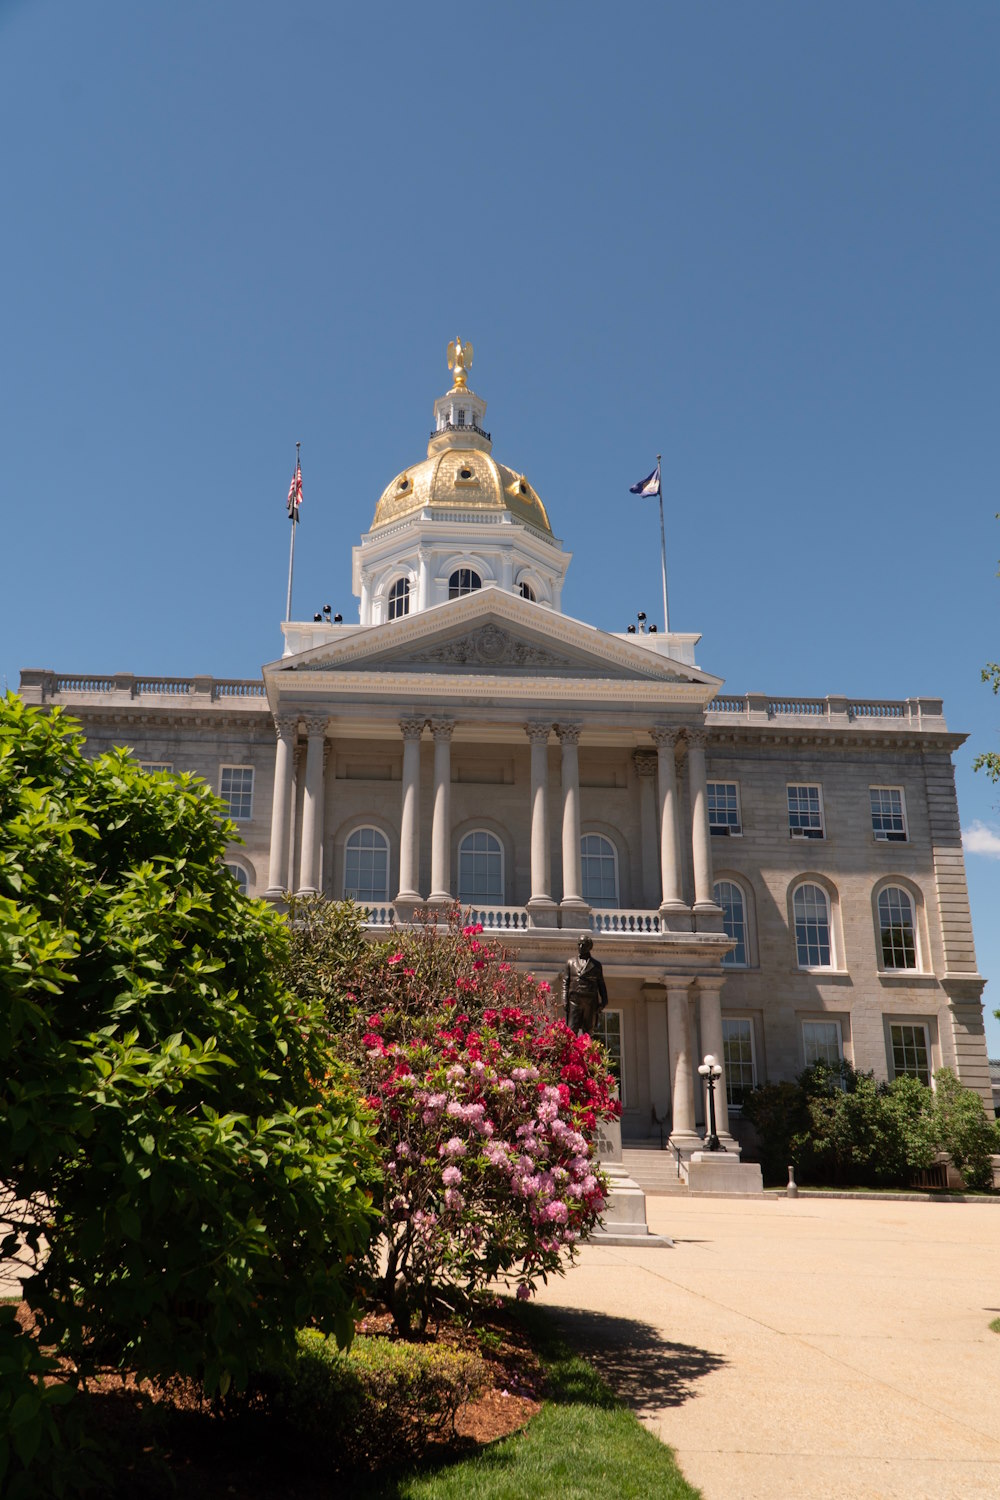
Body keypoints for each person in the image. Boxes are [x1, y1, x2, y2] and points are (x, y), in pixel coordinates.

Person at [561, 934, 609, 1036]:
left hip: (590, 1001)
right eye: (579, 944)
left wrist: (604, 1000)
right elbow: (565, 983)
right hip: (574, 1000)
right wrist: (564, 1000)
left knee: (588, 1030)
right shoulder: (570, 962)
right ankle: (572, 1047)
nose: (581, 947)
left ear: (589, 947)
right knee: (572, 1029)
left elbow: (601, 984)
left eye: (583, 944)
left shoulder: (596, 965)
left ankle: (587, 1046)